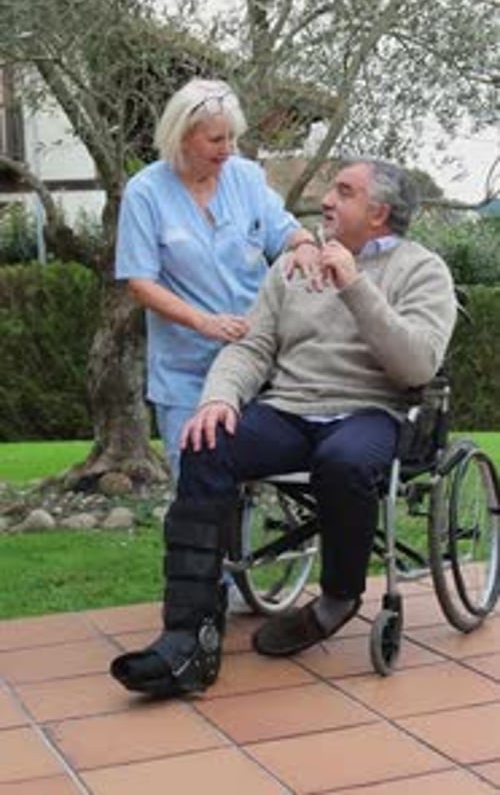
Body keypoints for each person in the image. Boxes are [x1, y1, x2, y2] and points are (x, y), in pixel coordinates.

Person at [110, 158, 457, 699]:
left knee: (343, 461)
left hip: (371, 410)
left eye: (343, 192)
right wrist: (219, 399)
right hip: (291, 408)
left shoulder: (423, 270)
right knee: (206, 445)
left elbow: (416, 366)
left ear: (378, 213)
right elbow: (252, 346)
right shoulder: (293, 266)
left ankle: (338, 598)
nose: (326, 200)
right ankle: (189, 636)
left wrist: (354, 285)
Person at [115, 77, 318, 480]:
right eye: (215, 140)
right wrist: (203, 322)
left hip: (257, 358)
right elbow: (139, 282)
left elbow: (284, 230)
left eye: (232, 138)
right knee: (196, 476)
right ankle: (204, 545)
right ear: (182, 137)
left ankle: (250, 542)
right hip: (185, 367)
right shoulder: (145, 193)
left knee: (263, 476)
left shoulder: (245, 177)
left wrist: (306, 244)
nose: (227, 150)